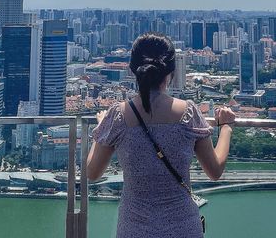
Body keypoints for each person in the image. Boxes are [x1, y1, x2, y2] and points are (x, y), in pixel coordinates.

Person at [87, 32, 235, 238]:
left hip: (135, 229)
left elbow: (92, 173)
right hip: (183, 228)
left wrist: (101, 129)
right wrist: (226, 127)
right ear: (170, 73)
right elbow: (215, 171)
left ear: (132, 71)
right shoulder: (188, 112)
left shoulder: (117, 116)